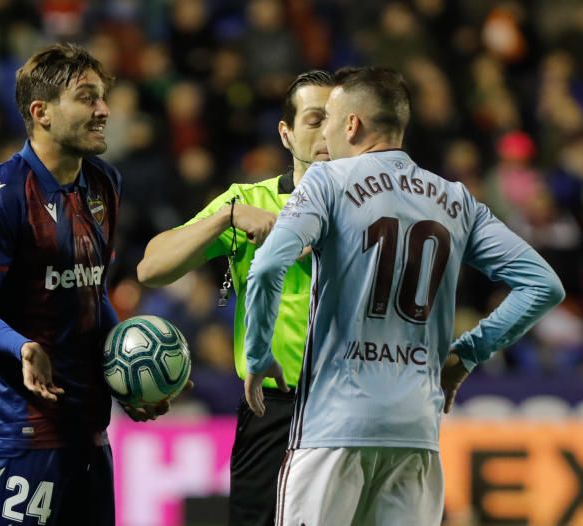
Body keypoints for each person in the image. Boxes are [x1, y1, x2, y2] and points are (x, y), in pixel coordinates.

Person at [242, 66, 565, 525]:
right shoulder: (456, 199)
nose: (324, 134)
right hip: (416, 432)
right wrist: (468, 354)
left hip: (332, 426)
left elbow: (269, 265)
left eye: (328, 120)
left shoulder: (326, 182)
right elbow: (543, 285)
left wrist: (257, 356)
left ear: (351, 125)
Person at [0, 43, 177, 526]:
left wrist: (127, 377)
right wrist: (23, 348)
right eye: (86, 98)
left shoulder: (104, 183)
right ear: (42, 113)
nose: (103, 110)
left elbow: (92, 293)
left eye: (103, 97)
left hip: (88, 432)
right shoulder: (3, 196)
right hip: (19, 434)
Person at [137, 70, 333, 525]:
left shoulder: (373, 205)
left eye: (336, 120)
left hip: (351, 405)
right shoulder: (249, 199)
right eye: (313, 120)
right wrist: (225, 217)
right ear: (285, 133)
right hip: (273, 410)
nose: (325, 133)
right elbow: (151, 267)